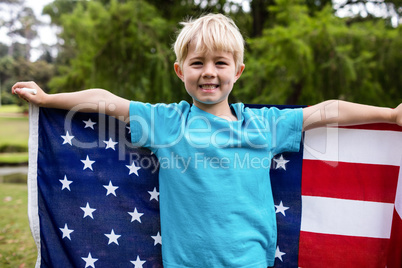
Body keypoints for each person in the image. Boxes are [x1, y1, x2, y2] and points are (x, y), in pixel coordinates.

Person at [12, 13, 402, 268]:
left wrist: (389, 115)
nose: (209, 72)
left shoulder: (263, 125)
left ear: (238, 71)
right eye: (198, 63)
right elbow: (107, 101)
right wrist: (48, 100)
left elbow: (326, 111)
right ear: (181, 71)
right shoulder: (167, 121)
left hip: (250, 260)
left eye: (220, 63)